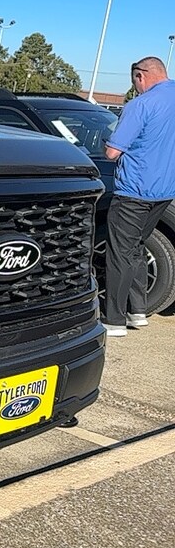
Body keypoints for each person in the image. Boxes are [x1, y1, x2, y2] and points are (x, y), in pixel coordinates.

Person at [102, 56, 175, 337]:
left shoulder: (141, 105)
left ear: (140, 76)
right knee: (136, 248)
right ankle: (138, 310)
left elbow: (112, 152)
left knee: (120, 253)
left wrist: (106, 142)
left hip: (134, 190)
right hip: (165, 191)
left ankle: (114, 320)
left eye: (134, 81)